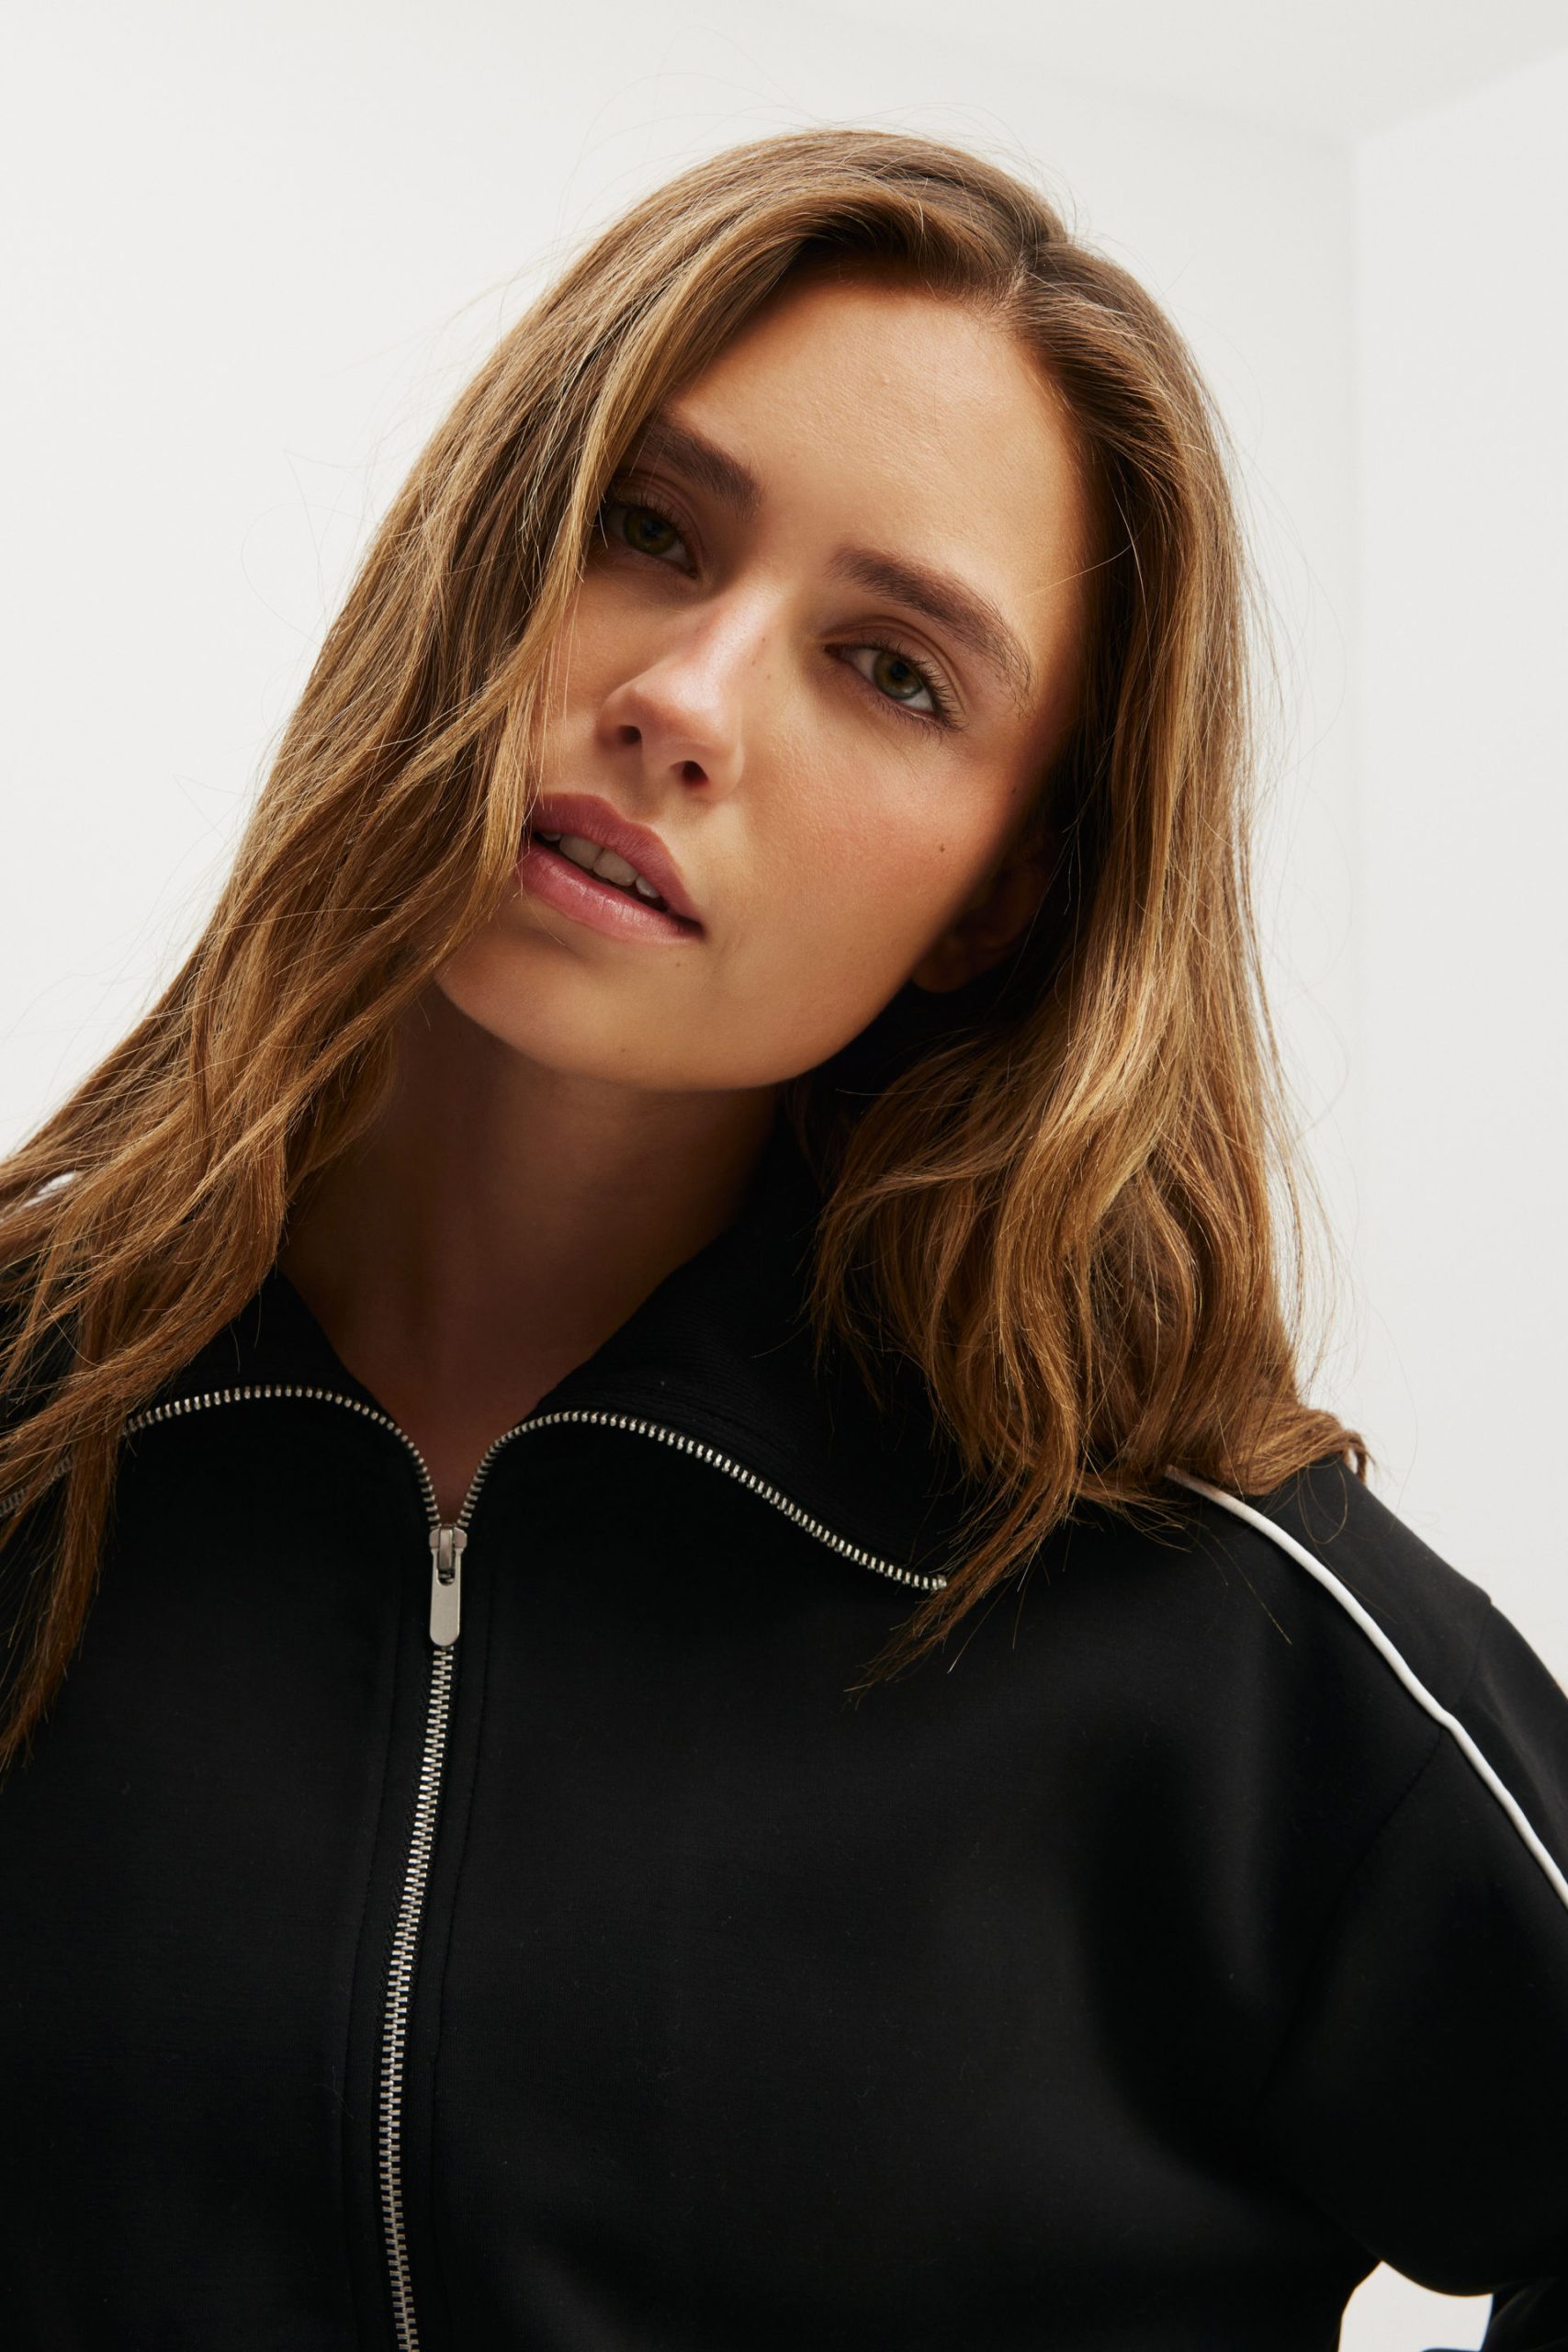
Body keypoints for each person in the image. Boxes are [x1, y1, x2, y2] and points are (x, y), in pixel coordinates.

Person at [0, 124, 1563, 2352]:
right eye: (645, 529)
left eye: (892, 670)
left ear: (996, 896)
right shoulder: (32, 1426)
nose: (684, 699)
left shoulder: (1207, 1623)